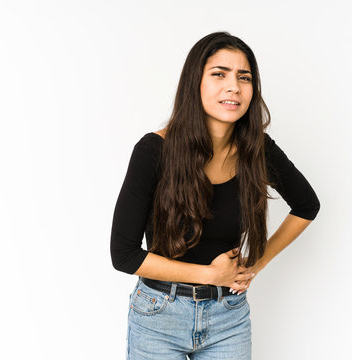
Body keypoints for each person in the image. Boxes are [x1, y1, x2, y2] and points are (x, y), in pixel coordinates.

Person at [110, 31, 320, 359]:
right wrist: (210, 274)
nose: (233, 86)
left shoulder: (258, 150)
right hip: (159, 315)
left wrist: (254, 265)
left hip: (229, 318)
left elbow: (307, 205)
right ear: (196, 82)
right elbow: (123, 255)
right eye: (219, 74)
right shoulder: (154, 151)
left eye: (244, 77)